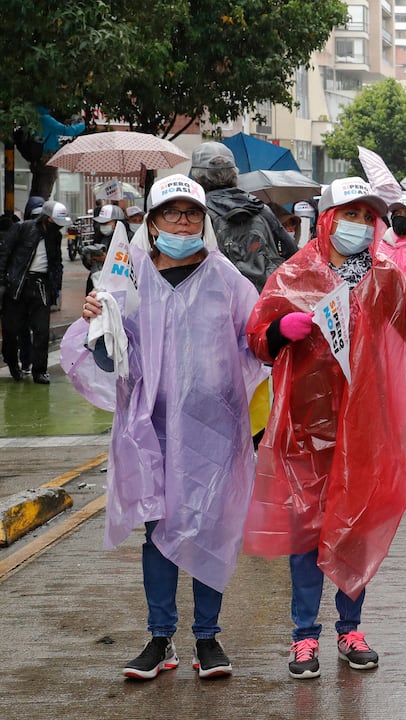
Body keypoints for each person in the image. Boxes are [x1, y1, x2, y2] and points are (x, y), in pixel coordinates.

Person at [242, 177, 406, 679]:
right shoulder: (294, 275)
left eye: (369, 217)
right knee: (308, 531)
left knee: (356, 526)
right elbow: (257, 341)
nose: (361, 225)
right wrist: (279, 330)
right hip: (305, 424)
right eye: (351, 214)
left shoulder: (384, 278)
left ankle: (350, 629)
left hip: (364, 422)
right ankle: (303, 637)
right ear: (327, 217)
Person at [61, 175, 266, 680]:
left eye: (191, 214)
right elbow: (110, 358)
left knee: (208, 526)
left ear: (203, 221)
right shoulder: (126, 283)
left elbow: (256, 343)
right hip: (149, 427)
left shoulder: (227, 279)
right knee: (158, 529)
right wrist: (97, 321)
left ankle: (208, 639)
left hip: (213, 428)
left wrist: (285, 327)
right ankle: (160, 638)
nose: (183, 223)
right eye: (171, 214)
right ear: (151, 225)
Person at [188, 141, 296, 290]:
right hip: (264, 297)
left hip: (219, 296)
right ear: (234, 174)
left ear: (197, 179)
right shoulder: (260, 208)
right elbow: (293, 253)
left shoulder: (197, 213)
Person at [0, 200, 70, 383]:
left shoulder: (55, 236)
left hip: (41, 285)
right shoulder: (22, 229)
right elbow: (4, 254)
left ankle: (40, 370)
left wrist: (56, 287)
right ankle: (12, 363)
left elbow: (57, 262)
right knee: (11, 329)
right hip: (17, 285)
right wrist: (3, 282)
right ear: (47, 219)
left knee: (41, 330)